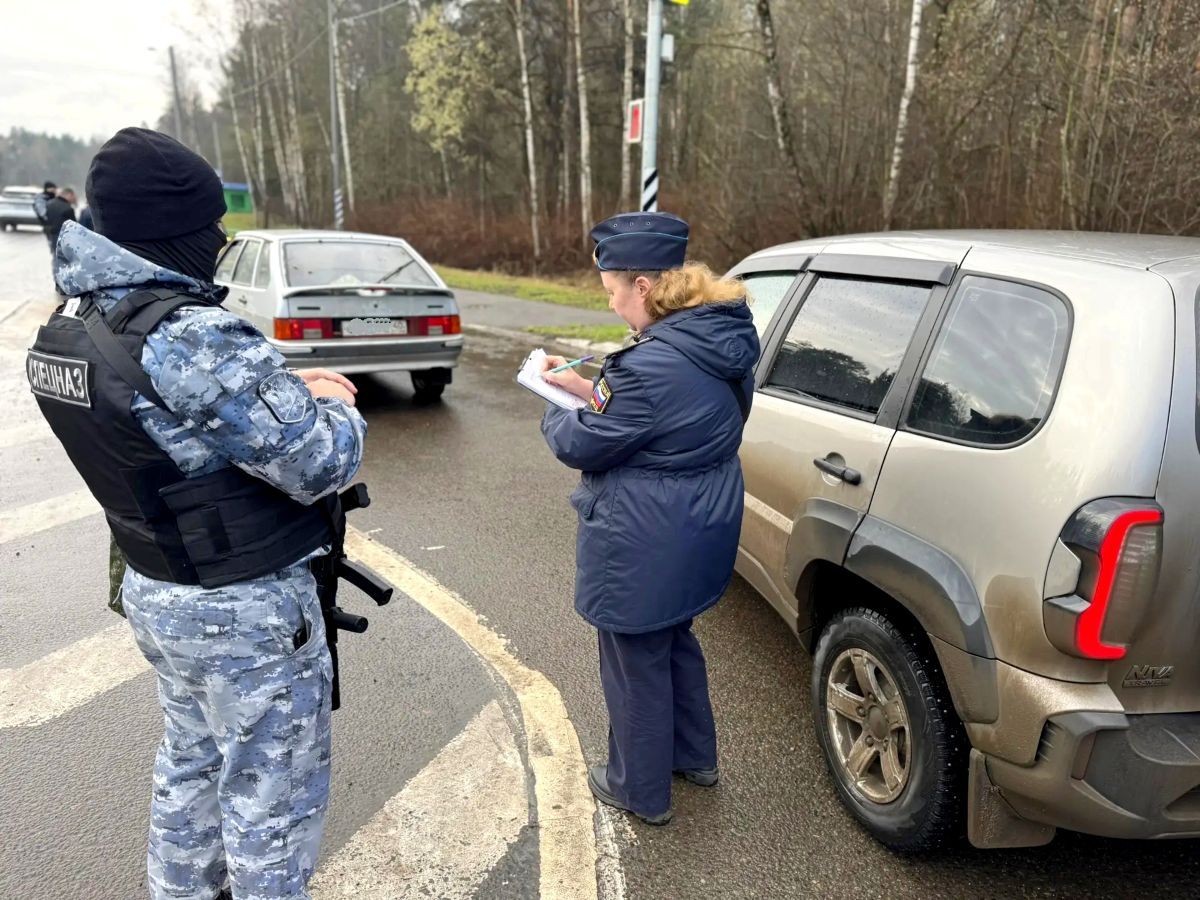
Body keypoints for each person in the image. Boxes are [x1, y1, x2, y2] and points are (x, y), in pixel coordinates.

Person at [26, 127, 367, 900]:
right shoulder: (188, 333)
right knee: (270, 806)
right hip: (243, 610)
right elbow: (318, 462)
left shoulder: (72, 324)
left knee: (190, 765)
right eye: (210, 227)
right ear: (172, 230)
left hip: (159, 592)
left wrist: (275, 397)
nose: (219, 241)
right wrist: (331, 405)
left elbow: (172, 434)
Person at [539, 211, 760, 825]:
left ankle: (638, 789)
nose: (611, 305)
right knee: (674, 641)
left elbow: (583, 443)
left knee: (634, 658)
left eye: (611, 291)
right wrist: (589, 387)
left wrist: (555, 406)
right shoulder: (718, 335)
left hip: (646, 538)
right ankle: (695, 759)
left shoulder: (650, 365)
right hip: (700, 525)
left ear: (642, 287)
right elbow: (655, 409)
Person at [43, 186, 77, 254]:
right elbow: (74, 227)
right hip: (64, 239)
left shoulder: (49, 204)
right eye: (73, 196)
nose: (73, 199)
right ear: (69, 194)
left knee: (55, 256)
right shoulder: (68, 208)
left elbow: (44, 219)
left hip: (51, 236)